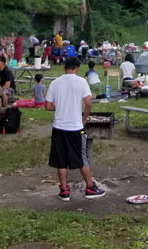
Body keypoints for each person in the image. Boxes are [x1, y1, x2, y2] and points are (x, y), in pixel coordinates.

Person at [45, 57, 105, 201]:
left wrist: (60, 106)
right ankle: (90, 187)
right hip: (75, 127)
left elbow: (47, 106)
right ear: (77, 69)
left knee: (61, 160)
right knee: (82, 158)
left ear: (64, 68)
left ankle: (64, 190)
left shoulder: (55, 83)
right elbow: (88, 104)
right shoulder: (81, 82)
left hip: (59, 127)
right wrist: (84, 118)